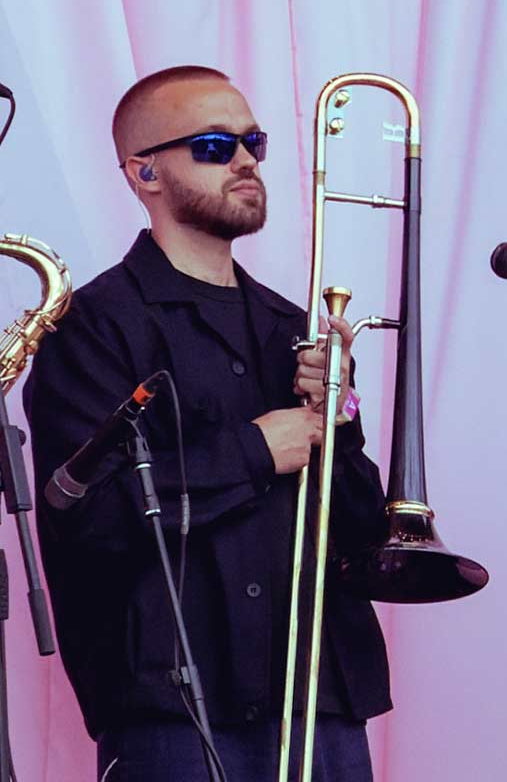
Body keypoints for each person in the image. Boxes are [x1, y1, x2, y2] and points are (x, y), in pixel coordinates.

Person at [25, 66, 392, 781]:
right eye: (217, 145)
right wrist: (258, 448)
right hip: (174, 711)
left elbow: (364, 537)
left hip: (319, 699)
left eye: (252, 141)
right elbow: (88, 520)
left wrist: (338, 421)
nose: (249, 160)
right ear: (145, 173)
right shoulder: (90, 330)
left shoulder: (295, 326)